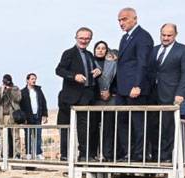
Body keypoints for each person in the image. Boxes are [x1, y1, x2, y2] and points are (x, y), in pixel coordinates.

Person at [149, 23, 185, 163]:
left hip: (171, 94)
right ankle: (154, 156)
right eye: (163, 35)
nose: (166, 38)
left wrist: (181, 93)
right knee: (153, 125)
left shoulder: (184, 50)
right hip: (151, 94)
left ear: (175, 35)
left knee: (167, 126)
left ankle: (166, 157)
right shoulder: (153, 50)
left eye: (169, 35)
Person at [115, 7, 154, 162]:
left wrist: (137, 85)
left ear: (135, 19)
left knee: (138, 123)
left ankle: (140, 154)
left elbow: (143, 63)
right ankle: (128, 153)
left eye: (124, 19)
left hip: (135, 89)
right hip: (122, 89)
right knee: (122, 122)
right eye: (119, 20)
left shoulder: (143, 37)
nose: (121, 23)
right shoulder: (125, 38)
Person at [55, 27, 99, 161]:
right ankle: (65, 156)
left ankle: (85, 155)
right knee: (66, 127)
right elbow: (59, 70)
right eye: (81, 38)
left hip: (88, 96)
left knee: (85, 127)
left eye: (87, 38)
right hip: (71, 98)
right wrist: (74, 76)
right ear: (76, 38)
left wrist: (98, 71)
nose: (84, 41)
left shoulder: (90, 55)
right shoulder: (69, 53)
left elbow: (92, 71)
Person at [93, 43, 119, 161]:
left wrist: (110, 91)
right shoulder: (91, 62)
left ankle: (108, 154)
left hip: (110, 98)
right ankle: (94, 154)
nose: (100, 50)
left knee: (109, 127)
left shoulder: (112, 63)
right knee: (93, 128)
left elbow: (117, 79)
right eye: (98, 48)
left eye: (103, 48)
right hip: (95, 99)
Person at [19, 73, 49, 159]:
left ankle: (38, 153)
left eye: (35, 79)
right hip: (27, 118)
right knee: (28, 135)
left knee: (38, 135)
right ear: (27, 80)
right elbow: (21, 106)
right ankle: (28, 153)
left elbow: (43, 102)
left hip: (37, 116)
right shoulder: (23, 92)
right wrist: (23, 118)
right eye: (32, 79)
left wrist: (45, 115)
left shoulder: (38, 90)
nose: (34, 80)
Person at [0, 74, 23, 159]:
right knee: (3, 137)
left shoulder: (15, 88)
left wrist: (11, 90)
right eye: (4, 81)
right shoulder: (0, 89)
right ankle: (3, 153)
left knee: (15, 136)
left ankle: (17, 153)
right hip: (2, 116)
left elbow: (18, 99)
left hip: (12, 115)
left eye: (7, 81)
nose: (6, 83)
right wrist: (2, 91)